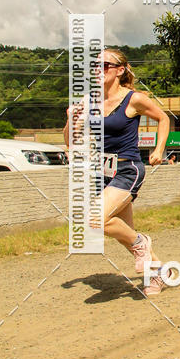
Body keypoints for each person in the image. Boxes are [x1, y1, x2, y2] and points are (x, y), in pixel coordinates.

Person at [64, 49, 170, 297]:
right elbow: (71, 140)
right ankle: (158, 273)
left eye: (104, 65)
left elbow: (163, 118)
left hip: (127, 169)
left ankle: (142, 242)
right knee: (125, 234)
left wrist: (159, 149)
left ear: (120, 70)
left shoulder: (133, 99)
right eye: (95, 65)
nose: (97, 70)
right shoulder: (89, 101)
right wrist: (71, 119)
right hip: (103, 172)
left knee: (95, 220)